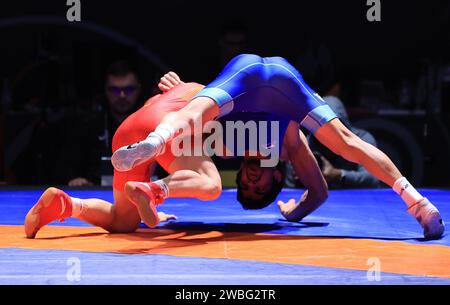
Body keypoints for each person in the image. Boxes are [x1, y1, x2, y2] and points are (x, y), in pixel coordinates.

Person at [112, 54, 445, 239]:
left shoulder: (251, 144)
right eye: (258, 186)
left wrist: (181, 88)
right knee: (346, 142)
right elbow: (319, 192)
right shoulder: (290, 146)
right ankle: (419, 204)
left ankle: (153, 143)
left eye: (246, 182)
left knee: (193, 113)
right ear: (277, 175)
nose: (251, 178)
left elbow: (189, 105)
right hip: (281, 80)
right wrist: (293, 212)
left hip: (244, 75)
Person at [59, 60, 143, 187]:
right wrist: (75, 178)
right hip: (96, 193)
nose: (121, 96)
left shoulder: (154, 124)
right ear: (106, 90)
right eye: (114, 90)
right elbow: (69, 166)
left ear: (138, 89)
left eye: (129, 89)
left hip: (146, 191)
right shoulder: (88, 125)